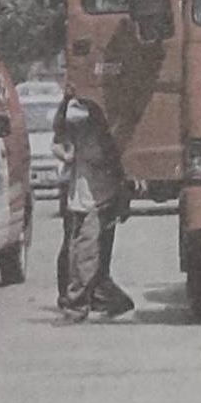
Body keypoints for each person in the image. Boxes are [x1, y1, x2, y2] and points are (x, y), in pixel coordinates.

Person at [53, 85, 135, 324]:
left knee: (85, 253)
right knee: (81, 254)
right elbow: (59, 132)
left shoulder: (104, 136)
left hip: (99, 199)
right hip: (82, 198)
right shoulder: (80, 128)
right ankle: (111, 299)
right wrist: (65, 102)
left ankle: (77, 306)